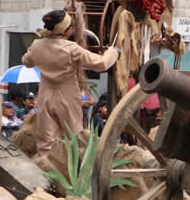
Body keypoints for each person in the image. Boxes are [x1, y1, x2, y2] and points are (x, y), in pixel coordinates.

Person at [22, 10, 120, 169]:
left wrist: (38, 46)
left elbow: (26, 62)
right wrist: (113, 52)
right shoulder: (72, 49)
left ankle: (44, 177)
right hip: (67, 99)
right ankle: (74, 176)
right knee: (74, 139)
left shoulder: (37, 45)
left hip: (45, 97)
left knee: (45, 145)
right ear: (66, 30)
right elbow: (102, 64)